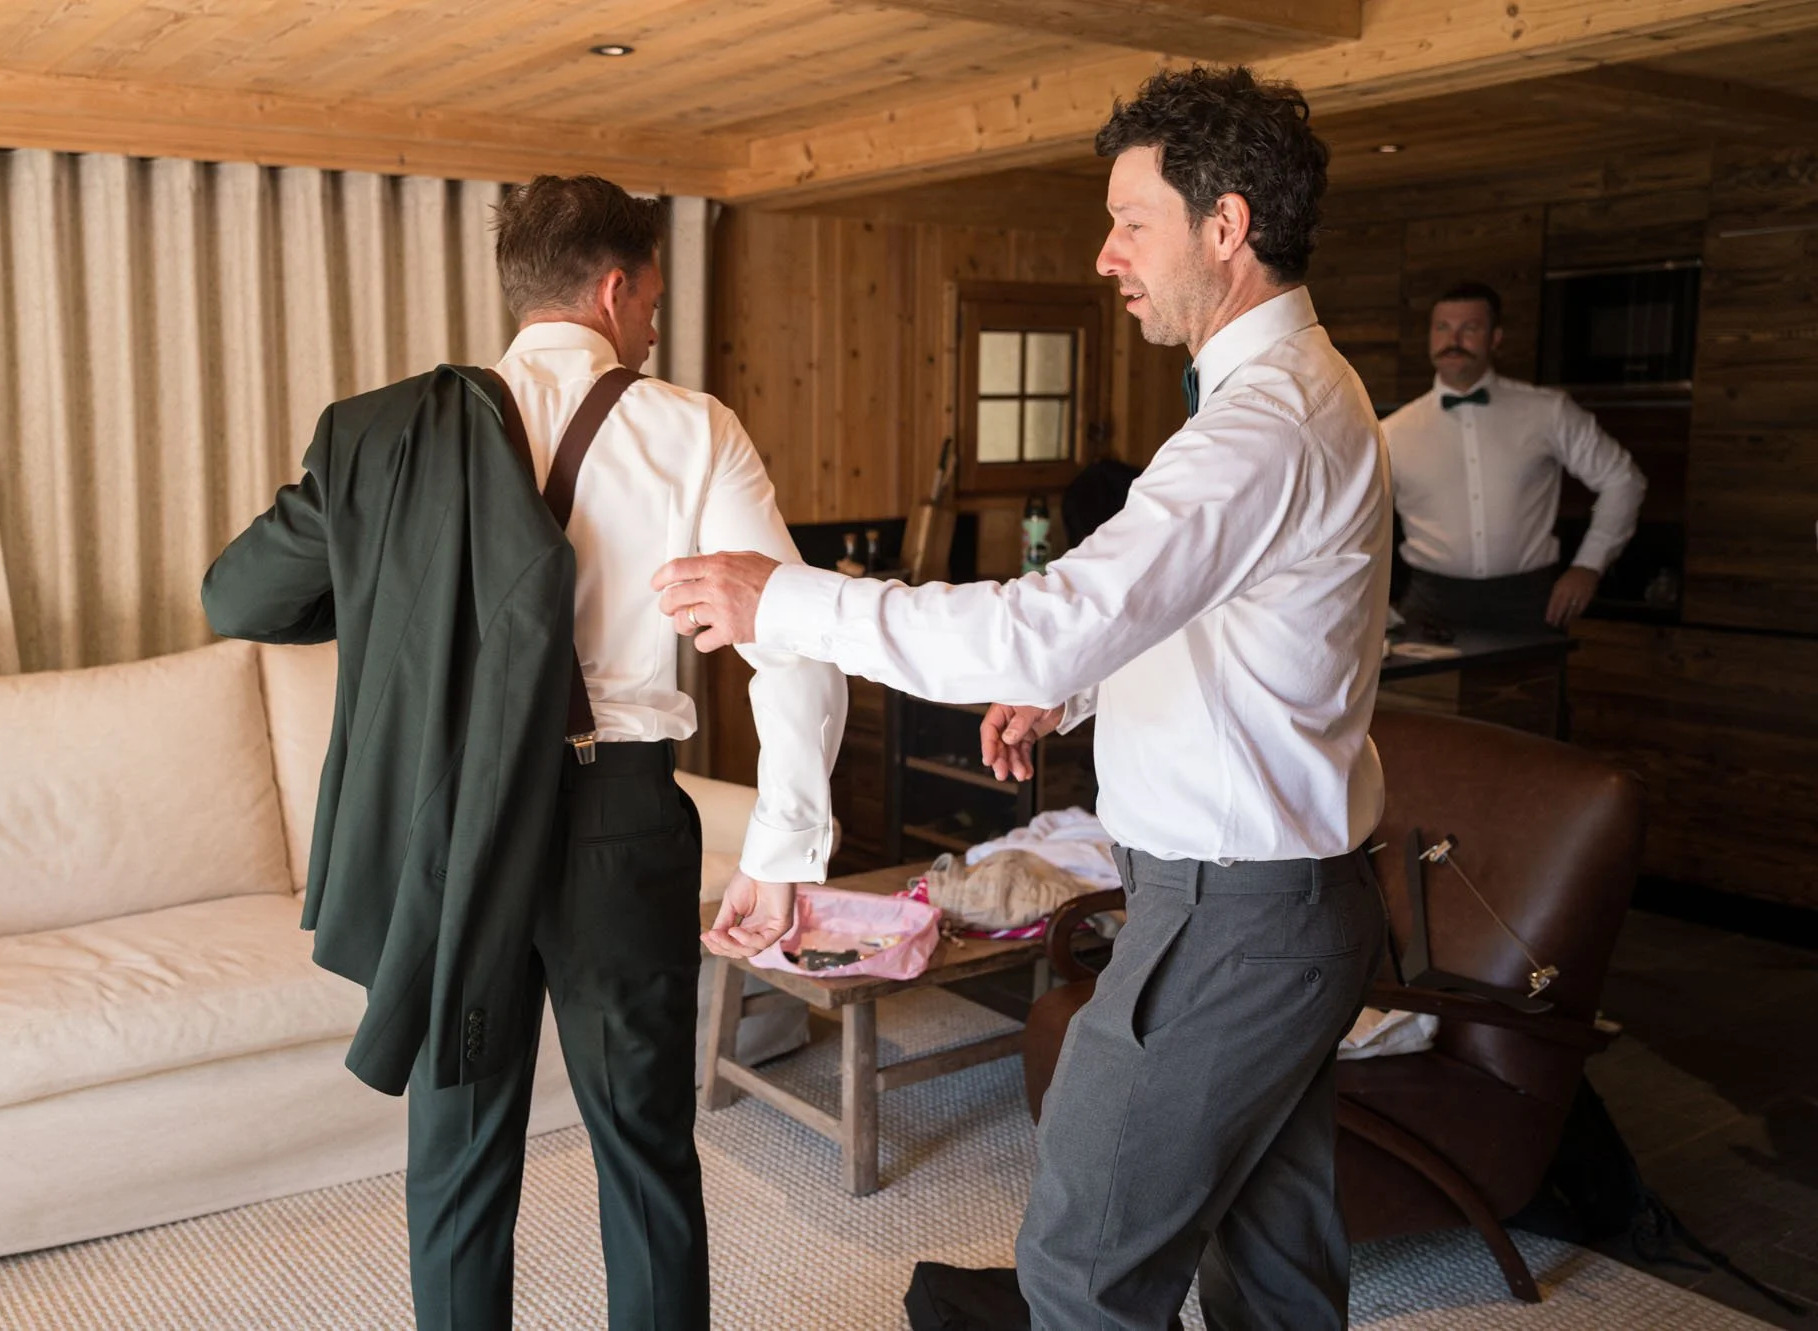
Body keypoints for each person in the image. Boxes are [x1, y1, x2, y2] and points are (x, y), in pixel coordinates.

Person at [656, 65, 1391, 1331]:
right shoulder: (1298, 393)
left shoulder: (1258, 424)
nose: (1105, 254)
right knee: (1272, 1277)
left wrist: (782, 598)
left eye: (1129, 220)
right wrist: (1081, 691)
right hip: (1284, 910)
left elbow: (1034, 624)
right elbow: (1216, 611)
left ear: (1225, 227)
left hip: (1227, 921)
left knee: (1081, 1271)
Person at [205, 174, 844, 1330]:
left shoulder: (389, 440)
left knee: (456, 1156)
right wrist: (784, 842)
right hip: (623, 821)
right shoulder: (693, 428)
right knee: (644, 1152)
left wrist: (384, 568)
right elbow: (792, 643)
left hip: (455, 827)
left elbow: (238, 593)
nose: (652, 322)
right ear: (613, 288)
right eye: (650, 297)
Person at [1385, 281, 1646, 633]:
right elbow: (1360, 520)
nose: (1454, 340)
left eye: (1470, 328)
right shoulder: (1391, 432)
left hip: (1529, 602)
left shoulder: (1548, 412)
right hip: (1428, 606)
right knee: (1425, 691)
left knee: (1527, 689)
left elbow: (1623, 480)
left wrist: (1589, 565)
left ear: (1495, 338)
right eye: (1443, 328)